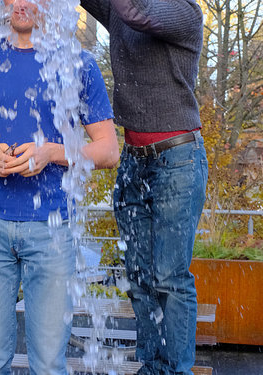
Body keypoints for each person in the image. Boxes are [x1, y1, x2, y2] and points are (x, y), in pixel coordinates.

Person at [0, 0, 120, 373]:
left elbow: (108, 150)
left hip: (52, 226)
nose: (21, 2)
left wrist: (53, 152)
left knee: (49, 364)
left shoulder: (79, 64)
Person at [80, 1, 208, 373]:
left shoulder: (184, 11)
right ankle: (151, 365)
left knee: (169, 278)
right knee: (139, 277)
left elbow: (139, 15)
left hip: (177, 159)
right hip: (135, 160)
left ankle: (175, 369)